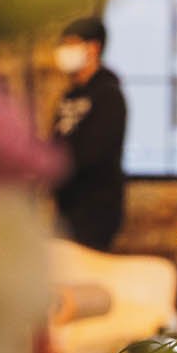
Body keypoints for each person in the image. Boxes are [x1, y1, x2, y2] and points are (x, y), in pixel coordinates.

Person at [50, 16, 127, 251]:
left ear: (93, 47)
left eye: (71, 43)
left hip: (96, 210)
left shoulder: (109, 95)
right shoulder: (69, 96)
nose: (65, 51)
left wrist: (57, 165)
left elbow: (96, 151)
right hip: (66, 207)